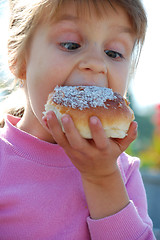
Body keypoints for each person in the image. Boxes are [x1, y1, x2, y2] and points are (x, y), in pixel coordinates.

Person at [0, 0, 156, 239]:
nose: (96, 64)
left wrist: (102, 178)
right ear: (18, 59)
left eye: (113, 52)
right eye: (71, 44)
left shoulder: (124, 172)